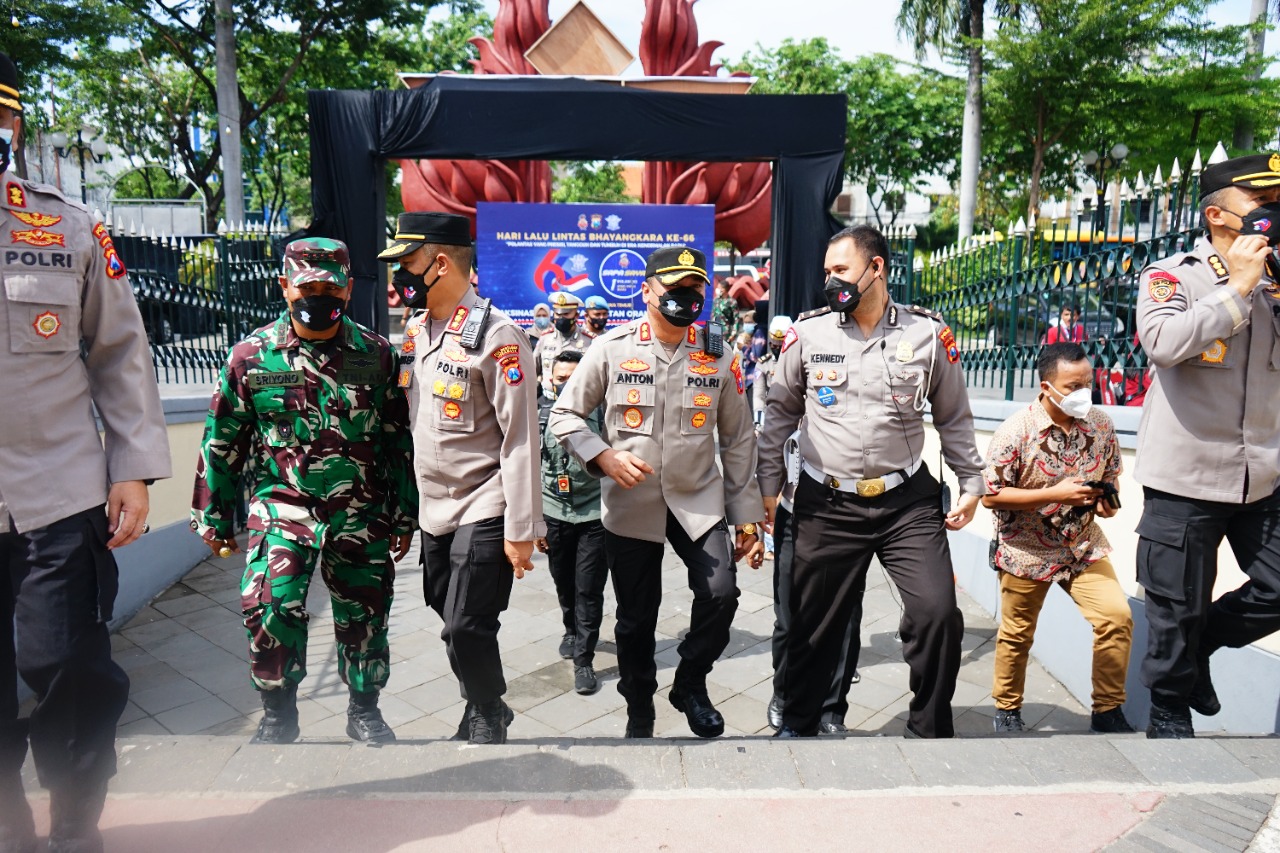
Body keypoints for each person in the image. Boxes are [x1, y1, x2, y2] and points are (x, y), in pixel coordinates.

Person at [0, 51, 172, 853]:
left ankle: (75, 825)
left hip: (56, 494)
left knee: (67, 665)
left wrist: (132, 466)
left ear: (11, 123)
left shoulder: (63, 225)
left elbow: (119, 351)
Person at [759, 224, 985, 739]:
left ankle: (929, 726)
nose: (830, 282)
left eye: (840, 270)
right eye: (827, 273)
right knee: (811, 625)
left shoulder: (927, 335)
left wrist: (972, 482)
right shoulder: (808, 334)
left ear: (876, 268)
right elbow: (778, 415)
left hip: (906, 503)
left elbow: (954, 417)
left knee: (938, 614)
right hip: (825, 502)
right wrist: (767, 490)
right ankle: (798, 724)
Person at [192, 237, 416, 746]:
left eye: (329, 287)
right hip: (282, 505)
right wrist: (213, 514)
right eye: (307, 287)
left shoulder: (376, 355)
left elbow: (395, 436)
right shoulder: (252, 356)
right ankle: (277, 713)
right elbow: (223, 436)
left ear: (349, 288)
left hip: (360, 508)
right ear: (284, 287)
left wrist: (405, 512)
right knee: (272, 605)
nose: (319, 296)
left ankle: (364, 709)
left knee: (366, 611)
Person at [549, 245, 765, 739]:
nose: (686, 299)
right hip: (632, 503)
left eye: (694, 290)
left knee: (721, 593)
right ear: (647, 292)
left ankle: (689, 682)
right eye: (674, 289)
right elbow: (564, 415)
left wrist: (747, 517)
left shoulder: (717, 352)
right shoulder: (611, 348)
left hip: (697, 499)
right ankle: (638, 708)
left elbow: (737, 438)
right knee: (635, 619)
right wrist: (603, 455)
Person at [378, 211, 543, 745]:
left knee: (467, 624)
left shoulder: (498, 338)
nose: (399, 275)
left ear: (440, 262)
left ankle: (487, 711)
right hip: (434, 508)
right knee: (444, 611)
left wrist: (522, 528)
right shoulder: (417, 331)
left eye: (407, 263)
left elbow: (521, 439)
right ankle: (483, 701)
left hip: (485, 501)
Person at [1132, 152, 1280, 738]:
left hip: (1262, 476)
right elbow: (1163, 341)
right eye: (1263, 203)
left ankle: (1205, 647)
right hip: (1185, 478)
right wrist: (1237, 289)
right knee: (1174, 608)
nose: (1275, 212)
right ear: (1219, 216)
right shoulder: (1173, 276)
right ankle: (1169, 714)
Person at [982, 342, 1134, 735]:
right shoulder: (1017, 430)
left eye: (1088, 382)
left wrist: (1106, 502)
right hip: (1026, 550)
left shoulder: (1100, 424)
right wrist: (1055, 493)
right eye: (1073, 385)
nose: (1084, 392)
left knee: (1116, 617)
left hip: (1082, 546)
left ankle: (1107, 710)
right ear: (1046, 387)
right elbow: (990, 494)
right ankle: (1008, 710)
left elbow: (1112, 477)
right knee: (1017, 635)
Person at [766, 430, 865, 735]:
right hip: (794, 513)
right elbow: (770, 443)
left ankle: (832, 711)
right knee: (788, 618)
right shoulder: (792, 392)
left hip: (847, 518)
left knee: (846, 620)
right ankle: (784, 694)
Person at [535, 350, 608, 695]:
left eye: (573, 378)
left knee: (588, 588)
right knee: (563, 580)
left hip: (595, 512)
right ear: (550, 379)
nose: (566, 384)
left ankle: (584, 660)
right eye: (560, 378)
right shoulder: (537, 412)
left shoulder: (604, 411)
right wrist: (534, 520)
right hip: (554, 511)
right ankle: (570, 628)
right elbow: (527, 467)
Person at [533, 291, 591, 397]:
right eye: (558, 314)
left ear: (576, 315)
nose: (561, 318)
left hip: (578, 400)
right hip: (547, 400)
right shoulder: (545, 338)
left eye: (566, 314)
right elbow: (533, 370)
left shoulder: (589, 340)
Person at [753, 315, 790, 431]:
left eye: (781, 345)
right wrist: (759, 423)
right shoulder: (764, 364)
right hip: (772, 416)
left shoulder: (799, 361)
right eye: (774, 345)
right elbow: (759, 395)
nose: (777, 349)